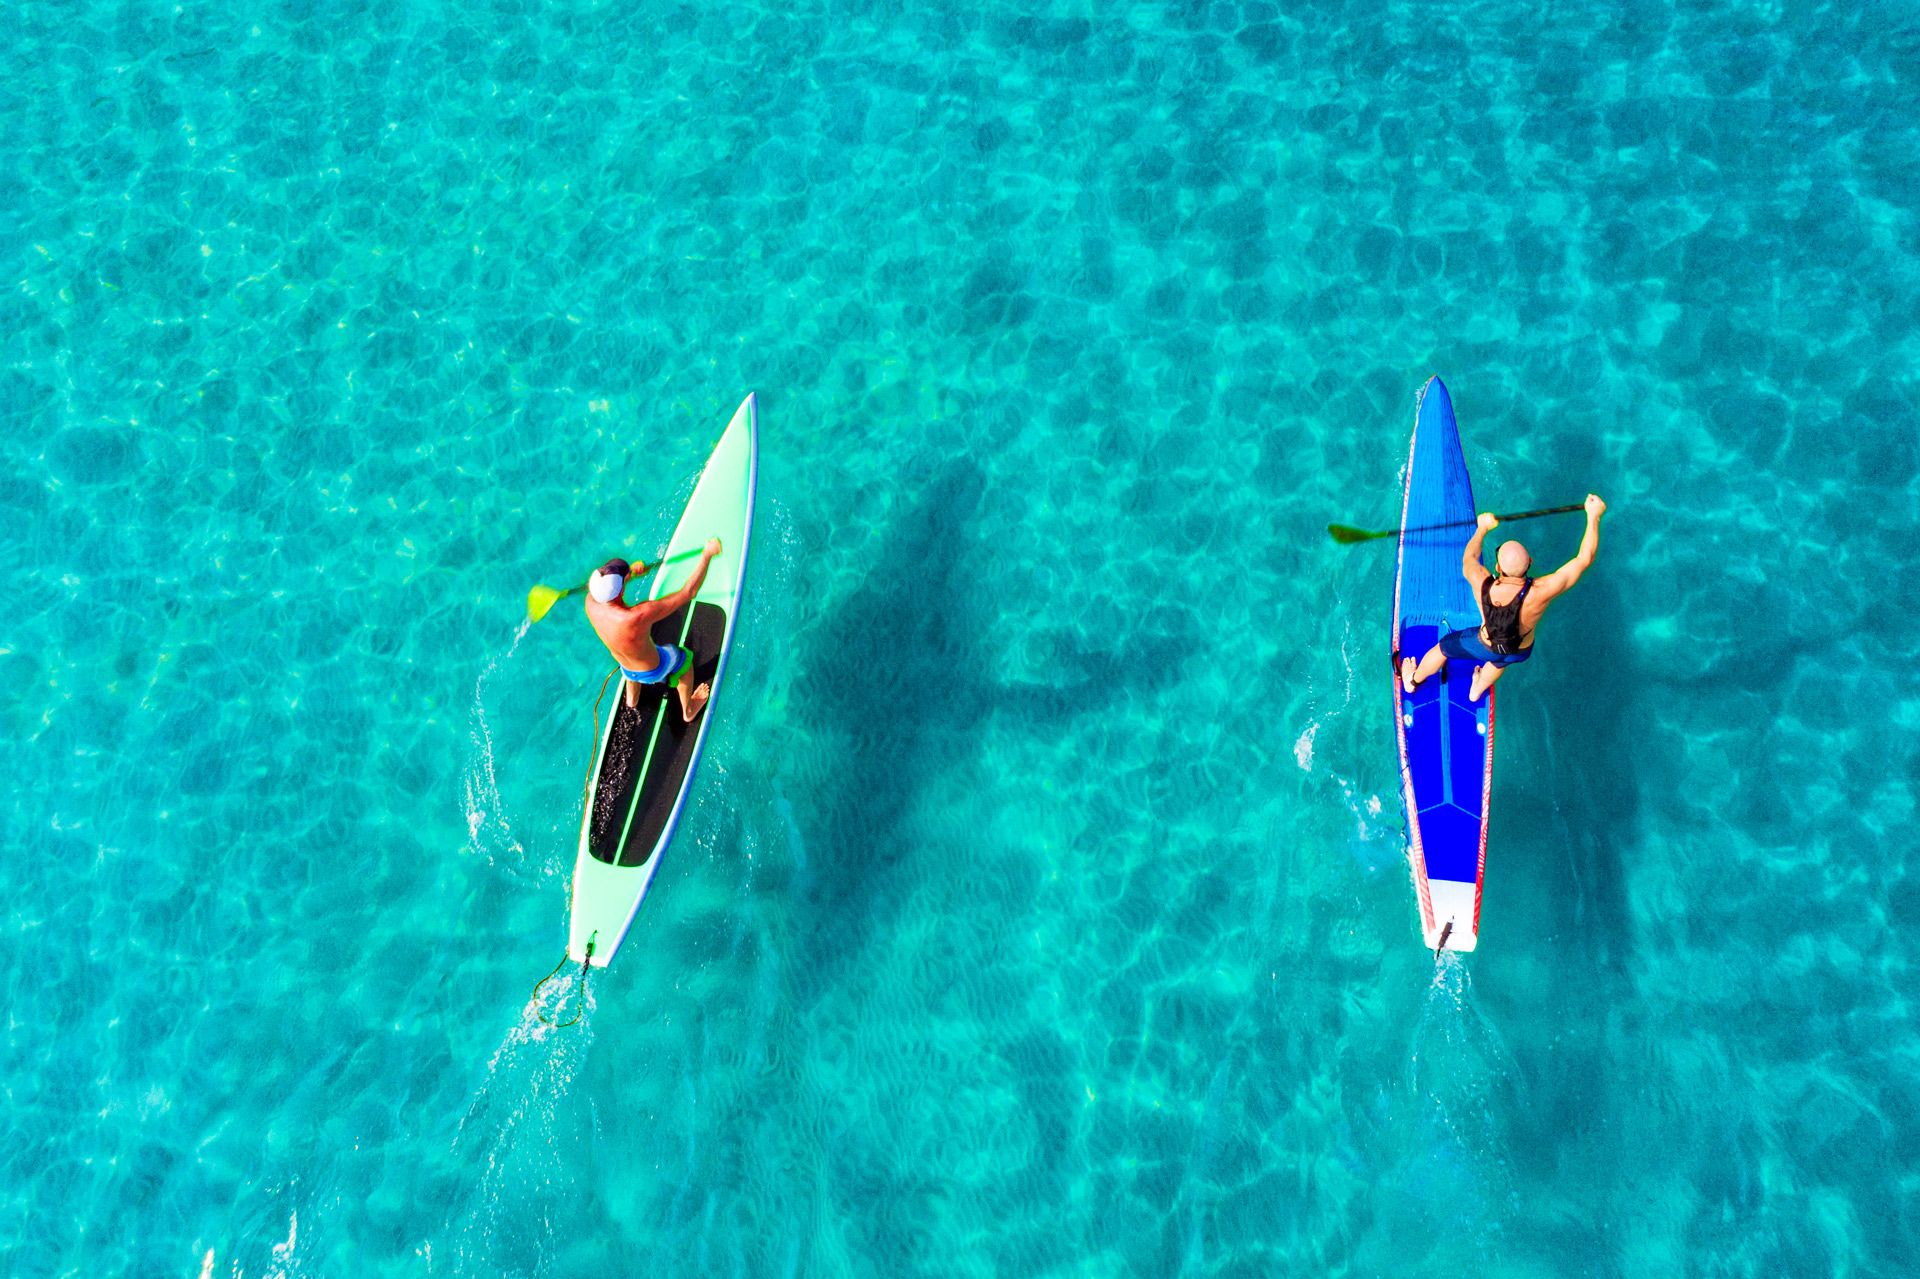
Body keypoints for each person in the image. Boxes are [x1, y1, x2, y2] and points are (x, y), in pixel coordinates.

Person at [1400, 494, 1607, 703]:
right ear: (1530, 563)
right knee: (1501, 661)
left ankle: (1412, 681)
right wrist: (1593, 516)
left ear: (1497, 568)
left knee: (1443, 648)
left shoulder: (1482, 583)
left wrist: (1482, 528)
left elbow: (1469, 559)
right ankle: (1476, 689)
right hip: (1520, 650)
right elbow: (1584, 558)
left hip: (1484, 645)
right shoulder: (1542, 590)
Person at [585, 539, 723, 720]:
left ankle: (632, 701)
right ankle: (689, 710)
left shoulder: (590, 603)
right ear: (620, 592)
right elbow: (689, 592)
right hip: (654, 670)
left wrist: (631, 573)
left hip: (626, 667)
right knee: (684, 661)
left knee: (629, 665)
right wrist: (707, 556)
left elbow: (609, 591)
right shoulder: (637, 616)